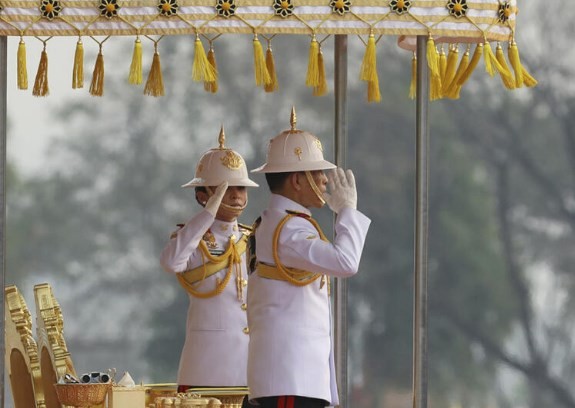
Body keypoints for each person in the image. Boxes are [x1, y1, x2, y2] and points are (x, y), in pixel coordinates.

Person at [246, 108, 371, 408]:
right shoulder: (287, 228)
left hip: (297, 377)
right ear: (297, 182)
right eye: (316, 173)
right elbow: (346, 262)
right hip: (290, 377)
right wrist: (346, 212)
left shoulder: (282, 222)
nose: (325, 180)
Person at [160, 126, 258, 408]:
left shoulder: (254, 237)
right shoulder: (191, 238)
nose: (236, 195)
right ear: (202, 194)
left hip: (251, 366)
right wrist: (206, 216)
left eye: (241, 187)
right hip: (208, 367)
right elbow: (171, 262)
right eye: (226, 189)